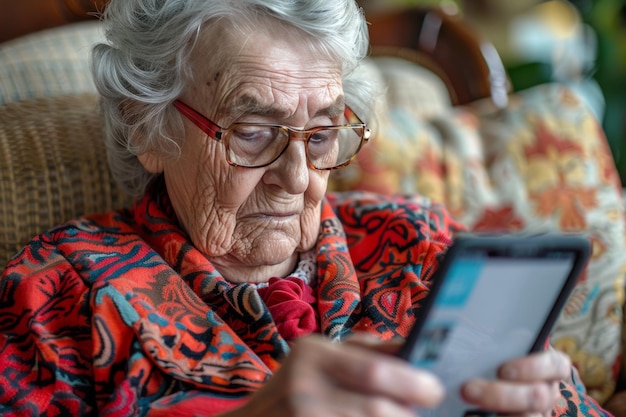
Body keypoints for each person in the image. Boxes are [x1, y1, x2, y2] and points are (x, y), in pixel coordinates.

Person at [0, 0, 611, 416]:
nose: (297, 178)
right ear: (146, 126)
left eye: (320, 134)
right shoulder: (56, 298)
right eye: (253, 131)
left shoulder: (421, 243)